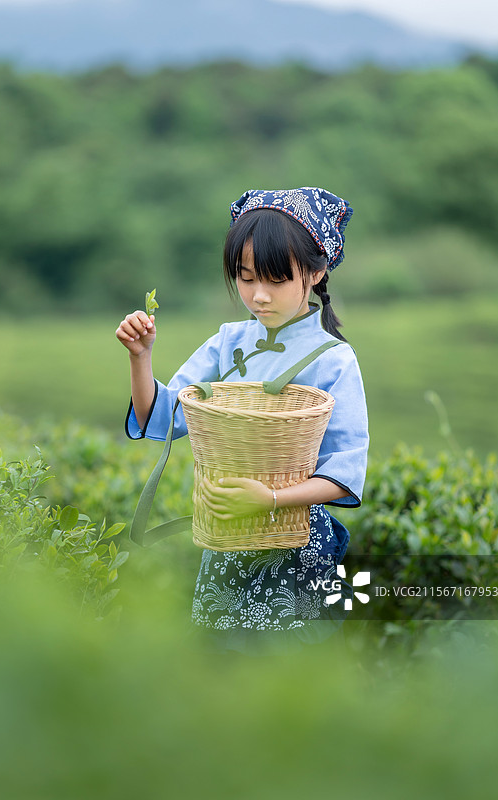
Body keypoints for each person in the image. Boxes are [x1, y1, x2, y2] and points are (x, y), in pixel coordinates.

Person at [115, 187, 369, 655]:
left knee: (289, 680)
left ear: (316, 271)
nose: (257, 295)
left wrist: (270, 498)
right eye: (245, 277)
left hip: (297, 546)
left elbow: (345, 472)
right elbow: (166, 417)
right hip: (227, 540)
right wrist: (141, 358)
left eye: (274, 279)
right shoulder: (227, 341)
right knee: (219, 679)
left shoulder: (334, 359)